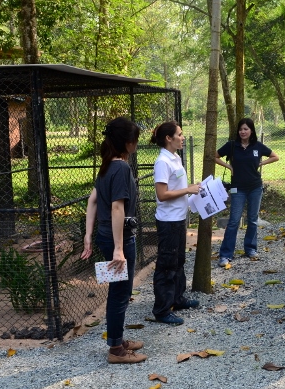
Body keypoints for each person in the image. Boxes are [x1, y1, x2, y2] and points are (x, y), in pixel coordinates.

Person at [80, 117, 146, 364]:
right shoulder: (120, 168)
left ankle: (117, 339)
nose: (136, 144)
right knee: (120, 293)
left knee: (119, 290)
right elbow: (118, 207)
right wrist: (119, 249)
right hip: (118, 238)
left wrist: (88, 236)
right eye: (136, 140)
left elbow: (92, 201)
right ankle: (116, 350)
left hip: (105, 235)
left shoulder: (107, 166)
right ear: (129, 143)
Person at [150, 121, 201, 326]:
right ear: (168, 138)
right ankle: (162, 310)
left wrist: (191, 190)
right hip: (168, 222)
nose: (182, 137)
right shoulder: (162, 162)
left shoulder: (175, 158)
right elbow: (162, 194)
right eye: (179, 134)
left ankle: (177, 299)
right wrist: (188, 190)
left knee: (178, 262)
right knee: (166, 266)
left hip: (179, 219)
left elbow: (177, 187)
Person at [215, 118, 279, 267]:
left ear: (251, 131)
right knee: (234, 221)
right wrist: (229, 167)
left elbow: (275, 156)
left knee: (252, 219)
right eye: (241, 129)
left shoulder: (257, 146)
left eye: (246, 129)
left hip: (255, 187)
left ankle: (250, 249)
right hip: (238, 188)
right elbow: (214, 156)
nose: (243, 132)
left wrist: (261, 163)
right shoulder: (232, 145)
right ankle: (225, 254)